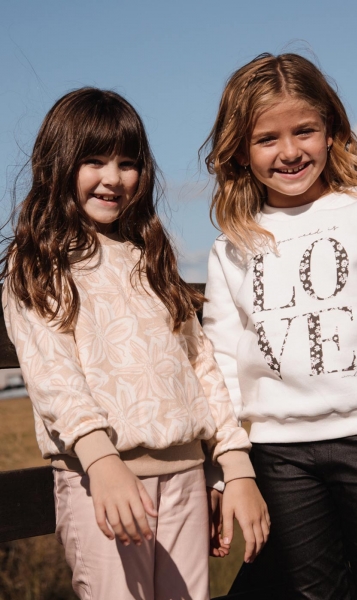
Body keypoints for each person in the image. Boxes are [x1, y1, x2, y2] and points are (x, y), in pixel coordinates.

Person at [1, 88, 270, 600]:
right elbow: (53, 374)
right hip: (101, 480)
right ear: (58, 164)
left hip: (187, 476)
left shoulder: (150, 255)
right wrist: (101, 462)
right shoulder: (37, 260)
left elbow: (199, 362)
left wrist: (231, 466)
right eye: (94, 161)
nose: (114, 177)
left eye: (128, 163)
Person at [201, 52, 357, 599]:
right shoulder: (232, 244)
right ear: (240, 149)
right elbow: (221, 364)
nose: (289, 152)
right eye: (267, 139)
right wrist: (224, 469)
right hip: (280, 451)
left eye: (304, 131)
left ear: (331, 131)